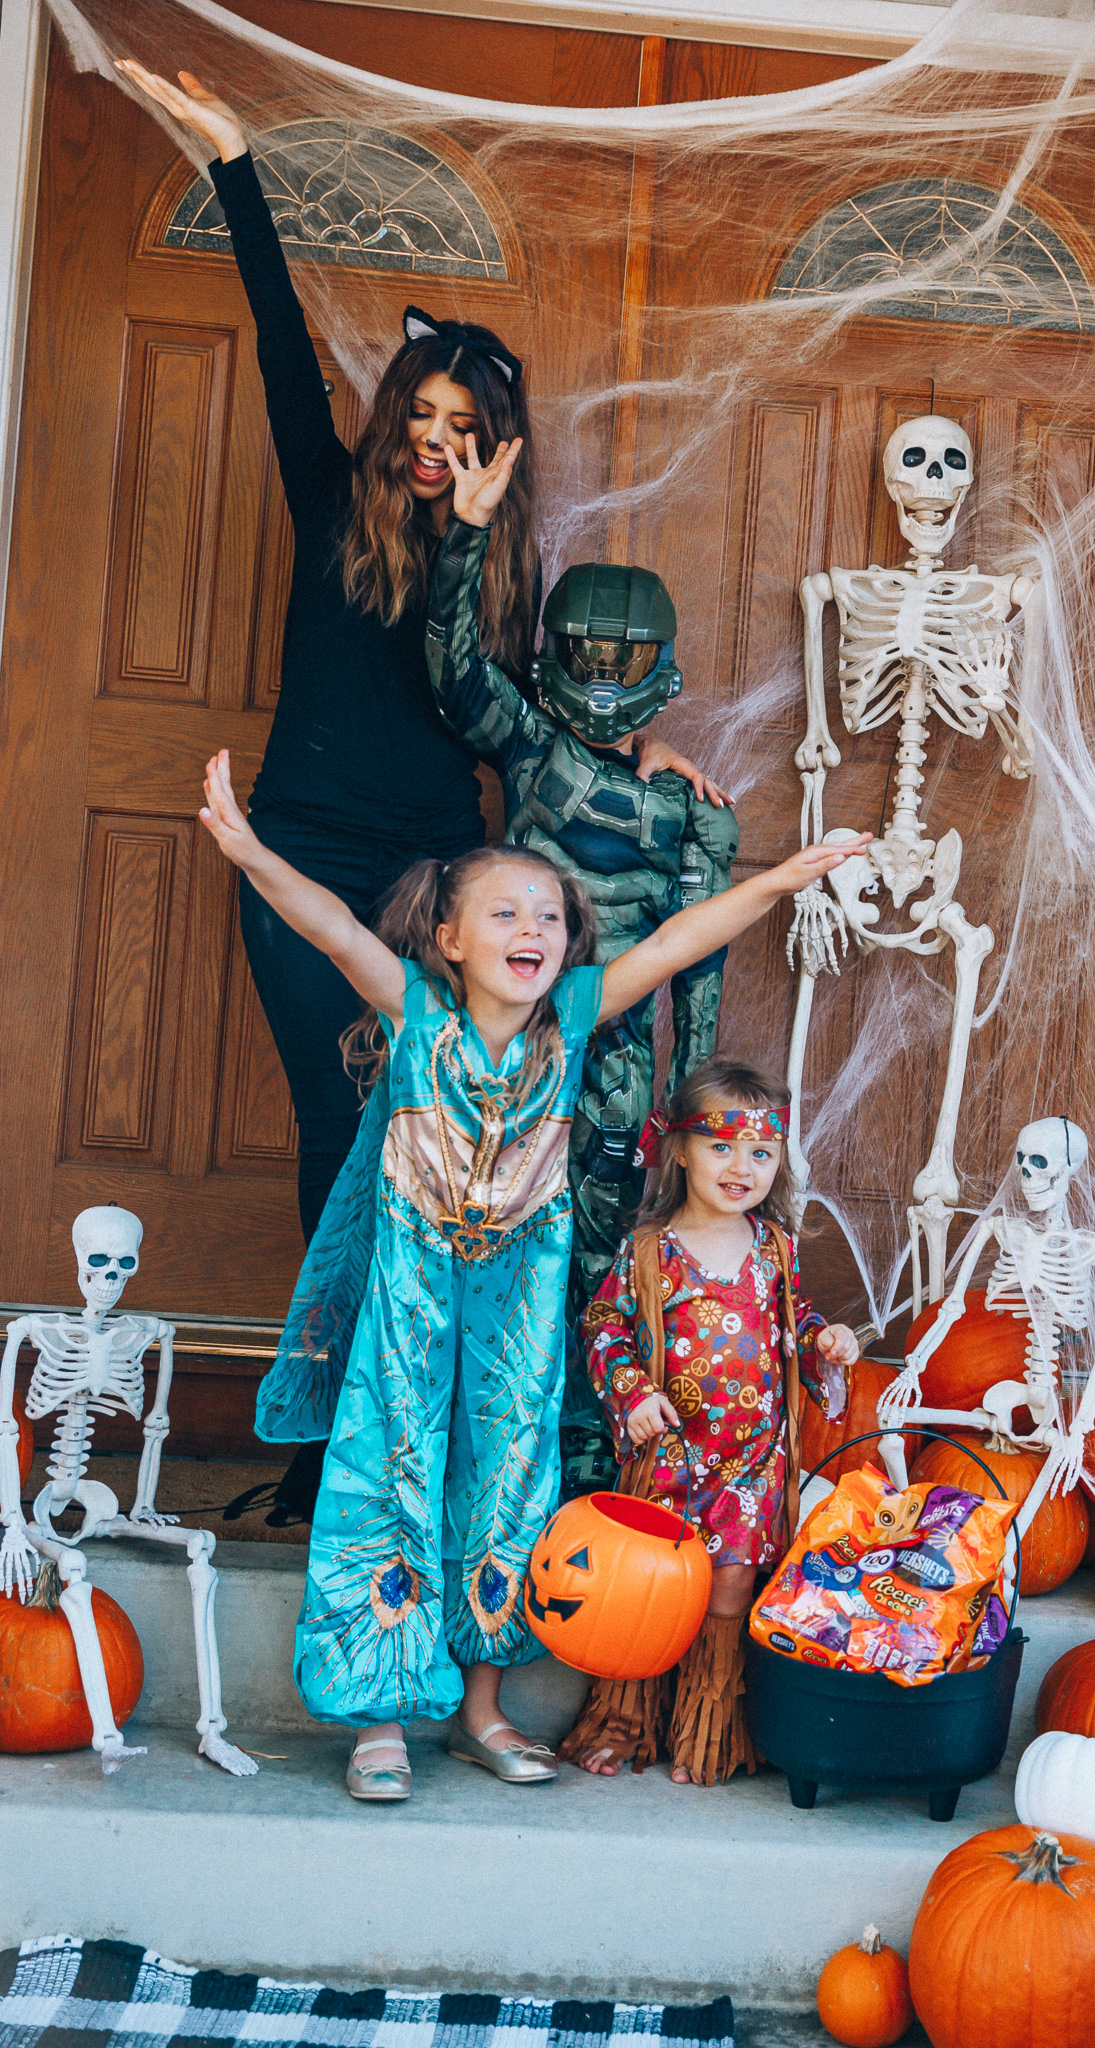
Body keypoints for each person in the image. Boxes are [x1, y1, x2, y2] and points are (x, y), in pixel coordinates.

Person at [116, 63, 720, 1524]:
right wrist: (233, 160)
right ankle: (325, 1447)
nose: (438, 438)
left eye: (468, 425)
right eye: (425, 414)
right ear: (396, 419)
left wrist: (643, 750)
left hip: (440, 871)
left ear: (493, 448)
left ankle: (418, 1433)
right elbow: (270, 329)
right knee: (336, 1140)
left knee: (436, 1138)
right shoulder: (330, 502)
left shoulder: (494, 574)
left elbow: (534, 709)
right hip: (310, 847)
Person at [195, 745, 868, 1801]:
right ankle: (381, 1715)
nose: (534, 931)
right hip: (411, 1298)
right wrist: (248, 849)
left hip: (515, 1303)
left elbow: (681, 937)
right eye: (506, 914)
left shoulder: (573, 1017)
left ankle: (480, 1708)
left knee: (508, 1476)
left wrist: (778, 881)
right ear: (449, 939)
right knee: (391, 1467)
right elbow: (327, 923)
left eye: (550, 915)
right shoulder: (416, 1010)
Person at [425, 470, 739, 1499]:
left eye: (625, 657)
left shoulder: (690, 812)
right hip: (506, 1039)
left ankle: (590, 1462)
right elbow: (455, 666)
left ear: (659, 665)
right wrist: (464, 535)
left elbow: (697, 965)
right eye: (587, 654)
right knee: (485, 1237)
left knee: (602, 1252)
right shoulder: (530, 742)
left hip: (612, 1064)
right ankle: (474, 1450)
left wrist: (690, 1121)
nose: (604, 674)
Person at [558, 1057, 861, 1787]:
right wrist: (631, 1393)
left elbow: (795, 1322)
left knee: (727, 1593)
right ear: (682, 1148)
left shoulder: (775, 1249)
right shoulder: (650, 1251)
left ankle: (709, 1734)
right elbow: (603, 1324)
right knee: (654, 1591)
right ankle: (625, 1724)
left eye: (761, 1152)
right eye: (721, 1146)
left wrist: (824, 1341)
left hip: (750, 1465)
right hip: (670, 1457)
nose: (741, 1166)